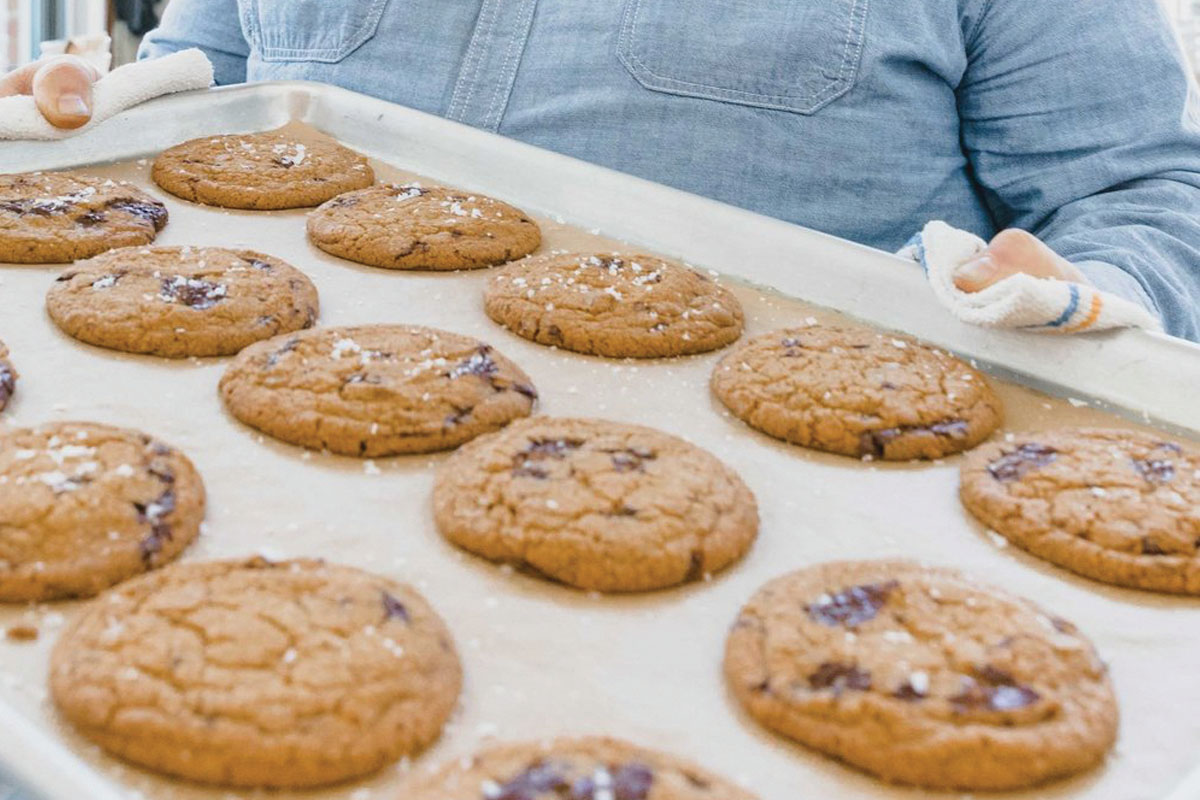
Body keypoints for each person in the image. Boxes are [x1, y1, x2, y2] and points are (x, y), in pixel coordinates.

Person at [4, 0, 1199, 341]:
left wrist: (1089, 293)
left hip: (801, 490)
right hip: (240, 411)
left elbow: (1143, 198)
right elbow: (208, 73)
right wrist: (93, 111)